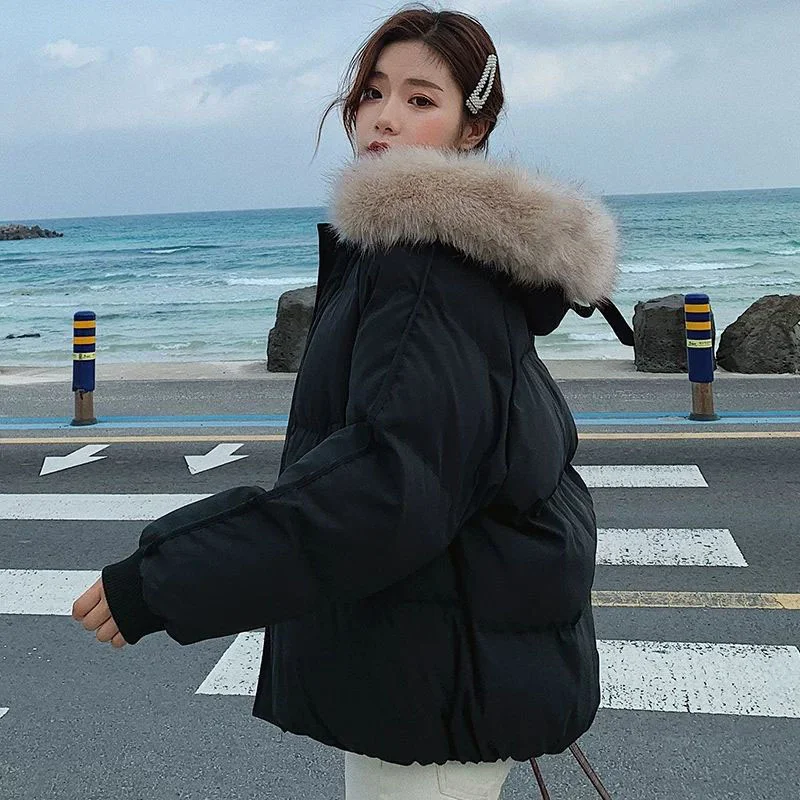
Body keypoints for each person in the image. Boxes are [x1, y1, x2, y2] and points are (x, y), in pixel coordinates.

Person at [72, 5, 622, 799]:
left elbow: (386, 486)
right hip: (442, 659)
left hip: (434, 689)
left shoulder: (427, 269)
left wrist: (164, 579)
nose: (383, 118)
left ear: (473, 127)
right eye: (372, 92)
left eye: (420, 99)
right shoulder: (433, 260)